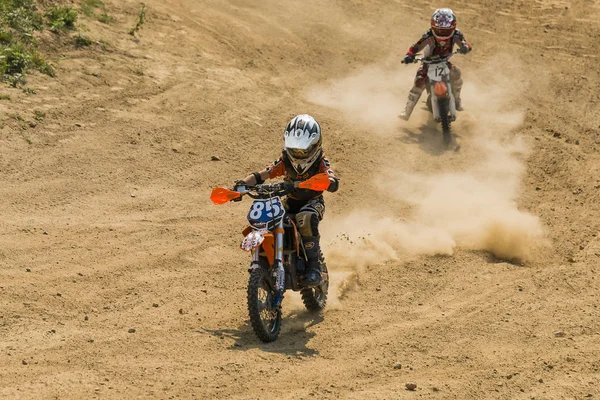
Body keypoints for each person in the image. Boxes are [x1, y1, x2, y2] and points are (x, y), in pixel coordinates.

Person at [235, 114, 339, 286]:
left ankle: (314, 267)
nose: (298, 154)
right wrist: (241, 186)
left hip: (313, 203)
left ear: (315, 146)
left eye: (303, 151)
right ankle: (271, 261)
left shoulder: (320, 161)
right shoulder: (285, 161)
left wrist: (331, 182)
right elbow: (263, 173)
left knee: (304, 218)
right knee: (270, 218)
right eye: (294, 149)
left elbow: (330, 175)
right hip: (289, 202)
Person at [399, 8, 472, 121]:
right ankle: (407, 110)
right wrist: (409, 55)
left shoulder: (457, 34)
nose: (442, 33)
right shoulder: (428, 35)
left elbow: (465, 43)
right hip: (427, 63)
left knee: (456, 73)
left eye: (446, 31)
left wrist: (465, 48)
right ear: (433, 27)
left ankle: (457, 100)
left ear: (453, 27)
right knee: (419, 81)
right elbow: (416, 47)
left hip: (444, 62)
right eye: (439, 30)